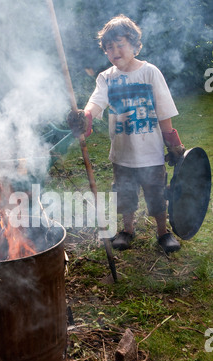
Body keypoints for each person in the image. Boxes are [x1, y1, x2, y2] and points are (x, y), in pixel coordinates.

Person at [68, 14, 185, 254]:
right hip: (122, 155)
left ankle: (163, 232)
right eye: (109, 47)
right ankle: (127, 230)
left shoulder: (150, 72)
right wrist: (85, 116)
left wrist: (173, 143)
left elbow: (163, 112)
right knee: (125, 194)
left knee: (157, 194)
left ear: (135, 45)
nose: (114, 50)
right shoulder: (106, 78)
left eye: (120, 44)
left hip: (151, 153)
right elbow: (96, 103)